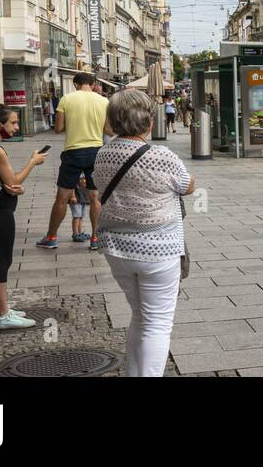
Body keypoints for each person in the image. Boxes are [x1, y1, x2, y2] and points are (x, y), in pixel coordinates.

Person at [95, 89, 195, 377]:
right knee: (158, 324)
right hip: (157, 249)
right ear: (149, 122)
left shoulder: (103, 154)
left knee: (140, 317)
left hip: (117, 248)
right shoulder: (162, 155)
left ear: (113, 121)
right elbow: (187, 185)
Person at [0, 103, 47, 328]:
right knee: (3, 260)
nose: (17, 127)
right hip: (0, 211)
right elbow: (13, 181)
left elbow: (7, 183)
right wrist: (33, 162)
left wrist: (14, 186)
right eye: (13, 123)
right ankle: (2, 315)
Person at [39, 72, 110, 252]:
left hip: (73, 152)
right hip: (96, 152)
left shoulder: (66, 99)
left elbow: (58, 128)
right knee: (95, 198)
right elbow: (108, 129)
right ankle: (95, 238)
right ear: (93, 84)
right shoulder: (104, 101)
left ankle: (51, 237)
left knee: (62, 197)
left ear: (76, 84)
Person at [70, 174, 91, 242]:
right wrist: (72, 196)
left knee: (81, 217)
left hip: (84, 198)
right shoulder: (75, 170)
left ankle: (80, 232)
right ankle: (75, 233)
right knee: (77, 216)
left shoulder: (87, 169)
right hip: (76, 198)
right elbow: (71, 184)